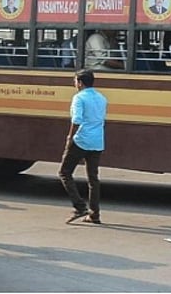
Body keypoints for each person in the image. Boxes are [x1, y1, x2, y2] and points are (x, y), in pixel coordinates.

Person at [59, 69, 108, 225]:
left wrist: (69, 138)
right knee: (93, 178)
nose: (74, 84)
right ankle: (95, 214)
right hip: (97, 141)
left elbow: (77, 120)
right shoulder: (101, 98)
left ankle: (80, 207)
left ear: (80, 83)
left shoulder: (79, 98)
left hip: (81, 140)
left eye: (75, 81)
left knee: (64, 172)